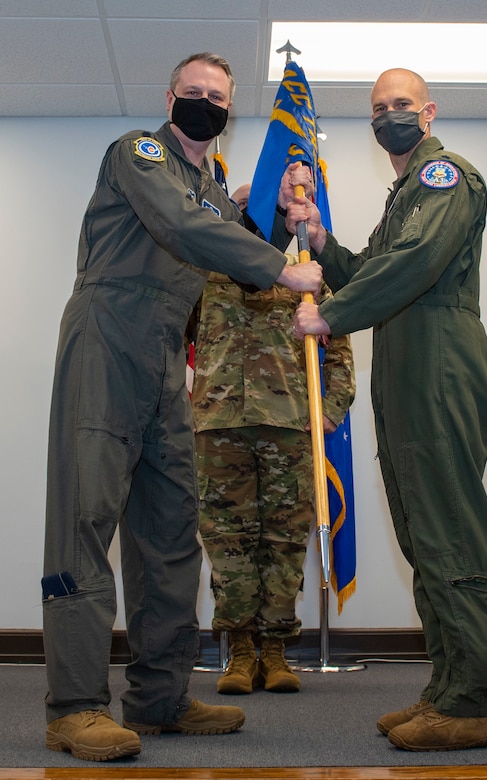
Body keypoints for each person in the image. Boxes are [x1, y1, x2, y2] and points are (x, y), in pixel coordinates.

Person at [41, 52, 321, 763]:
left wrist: (289, 215)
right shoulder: (139, 155)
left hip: (167, 360)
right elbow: (180, 224)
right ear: (169, 98)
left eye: (217, 96)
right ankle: (74, 708)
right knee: (83, 524)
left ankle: (159, 697)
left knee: (169, 535)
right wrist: (281, 269)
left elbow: (234, 236)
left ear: (228, 111)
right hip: (106, 343)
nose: (204, 103)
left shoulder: (208, 188)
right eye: (192, 92)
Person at [286, 68, 487, 752]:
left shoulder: (445, 177)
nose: (390, 116)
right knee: (422, 534)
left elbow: (413, 265)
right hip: (409, 367)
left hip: (438, 363)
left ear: (429, 112)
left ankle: (477, 702)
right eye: (379, 108)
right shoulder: (405, 193)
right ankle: (449, 688)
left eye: (402, 105)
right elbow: (380, 270)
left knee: (450, 530)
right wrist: (326, 248)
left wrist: (328, 314)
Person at [189, 184, 355, 695]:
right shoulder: (204, 275)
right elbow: (169, 337)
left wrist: (327, 413)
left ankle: (277, 650)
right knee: (228, 542)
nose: (252, 217)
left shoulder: (305, 277)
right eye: (243, 208)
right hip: (219, 426)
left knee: (283, 540)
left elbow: (340, 344)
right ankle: (240, 652)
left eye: (261, 208)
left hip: (289, 426)